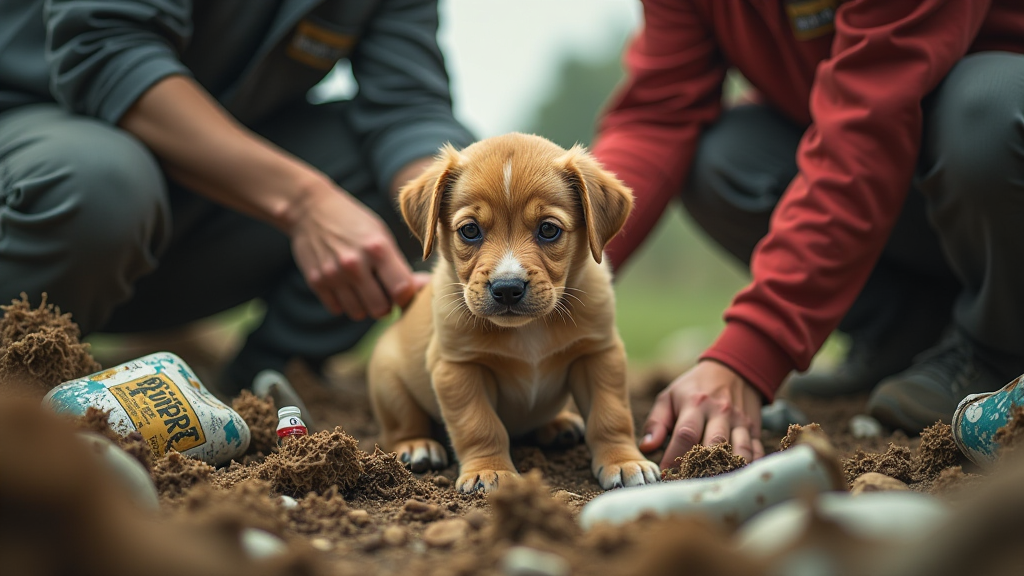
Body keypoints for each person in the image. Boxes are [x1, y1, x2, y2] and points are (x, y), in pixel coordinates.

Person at [592, 0, 1024, 468]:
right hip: (908, 177)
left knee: (988, 116)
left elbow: (865, 133)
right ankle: (903, 332)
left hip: (990, 155)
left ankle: (996, 348)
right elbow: (658, 113)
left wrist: (750, 352)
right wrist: (558, 270)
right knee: (724, 159)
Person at [0, 0, 474, 393]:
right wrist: (305, 202)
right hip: (40, 157)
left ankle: (259, 390)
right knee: (98, 181)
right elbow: (105, 50)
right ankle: (20, 379)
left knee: (429, 189)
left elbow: (409, 106)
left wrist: (481, 231)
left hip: (182, 223)